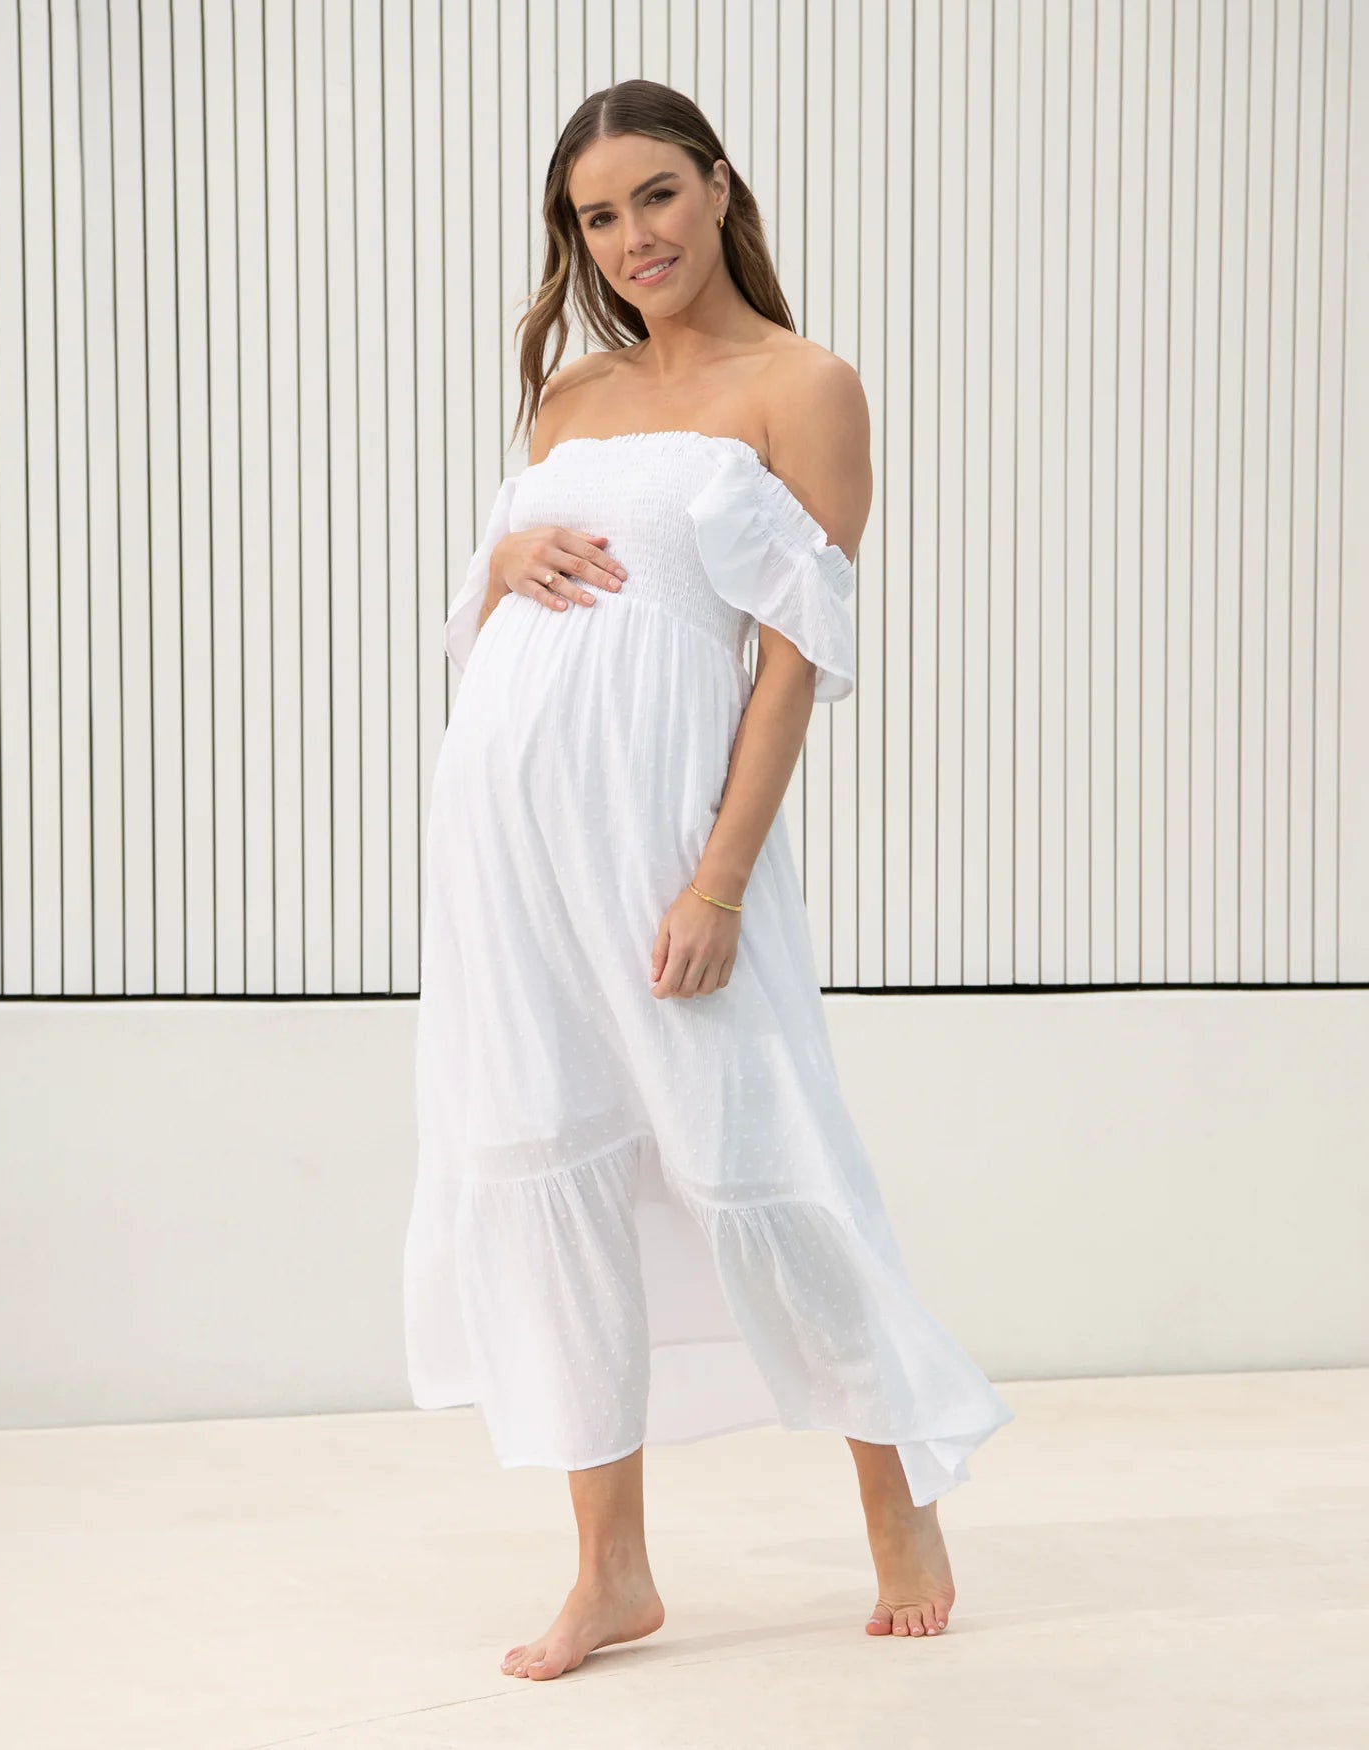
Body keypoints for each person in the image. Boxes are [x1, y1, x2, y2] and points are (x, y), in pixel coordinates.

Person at [404, 79, 1014, 1683]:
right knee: (551, 1151)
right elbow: (516, 608)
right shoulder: (567, 395)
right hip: (504, 851)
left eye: (656, 197)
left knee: (759, 1148)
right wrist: (498, 561)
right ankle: (611, 1568)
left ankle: (897, 1500)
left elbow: (793, 659)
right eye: (597, 217)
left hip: (663, 840)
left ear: (720, 187)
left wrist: (720, 881)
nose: (633, 239)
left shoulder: (804, 386)